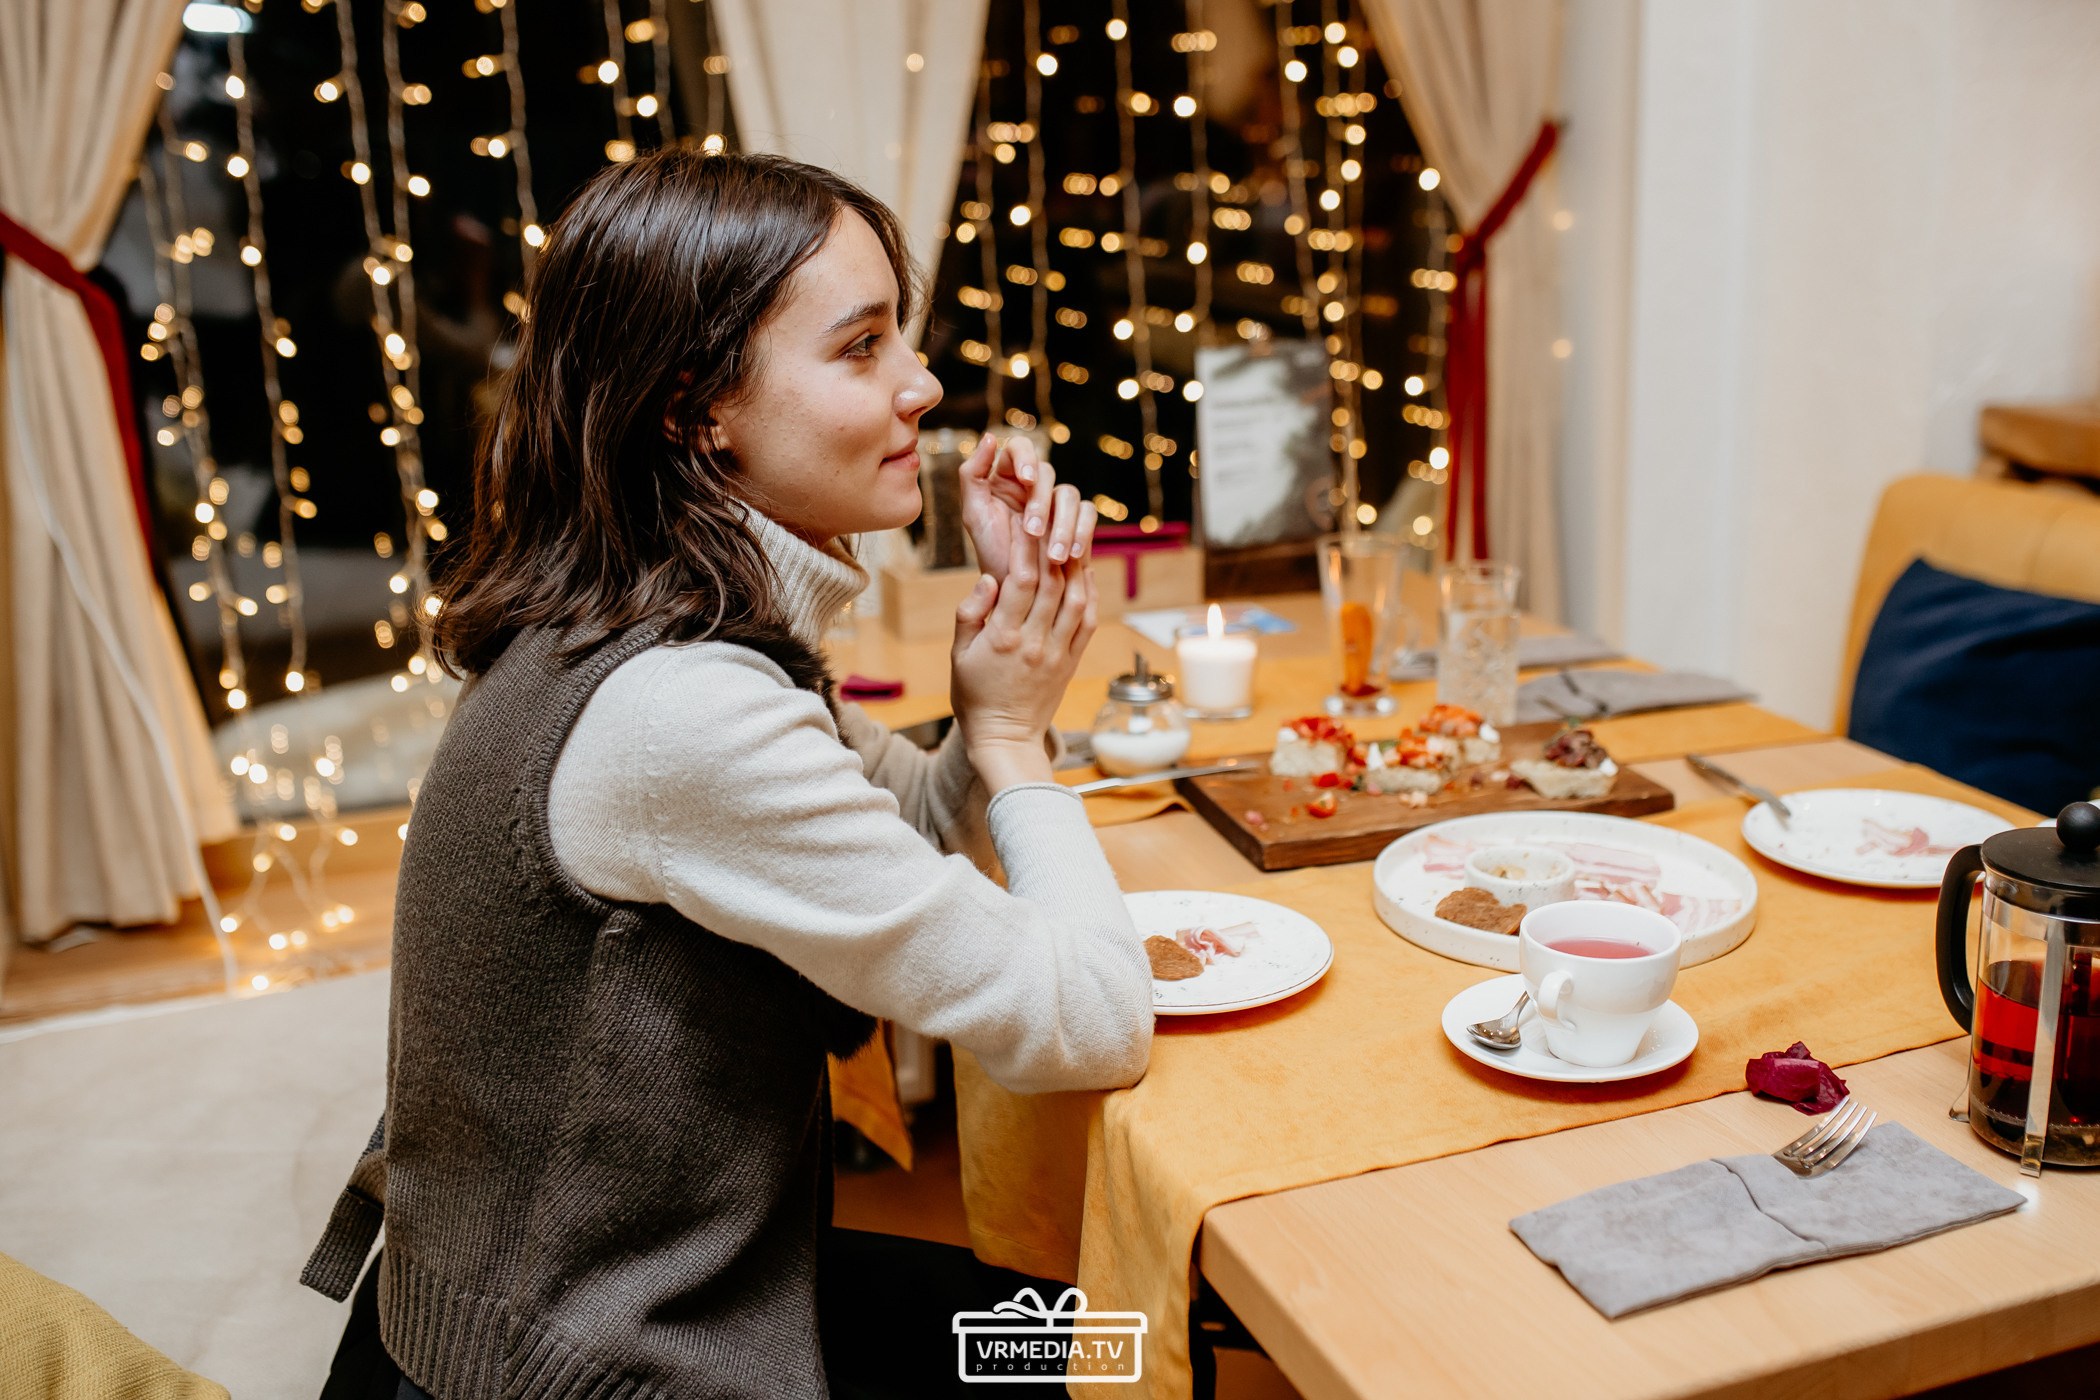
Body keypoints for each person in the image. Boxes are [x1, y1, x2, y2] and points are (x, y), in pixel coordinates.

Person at [303, 150, 1154, 1399]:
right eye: (861, 347)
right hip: (594, 1363)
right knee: (1110, 1354)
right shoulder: (680, 712)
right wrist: (1022, 749)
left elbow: (900, 826)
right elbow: (1088, 1021)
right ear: (697, 406)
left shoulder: (647, 620)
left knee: (1109, 1336)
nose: (920, 384)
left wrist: (987, 705)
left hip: (655, 1292)